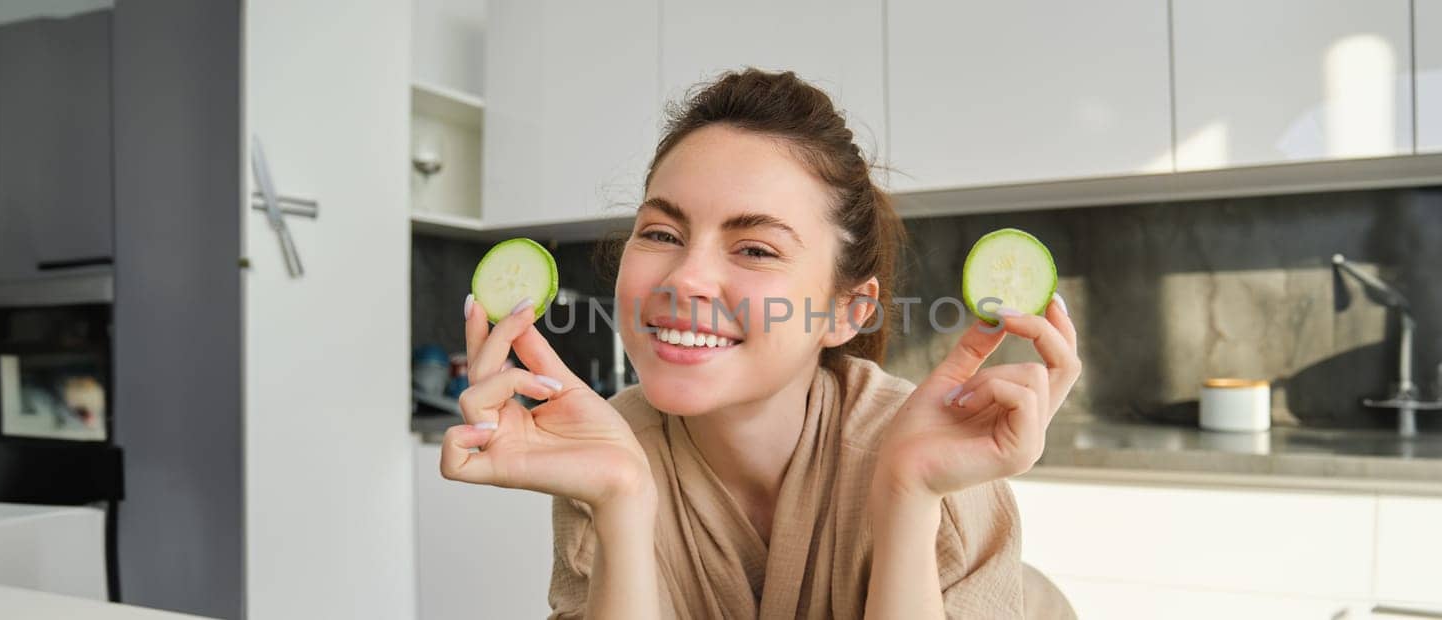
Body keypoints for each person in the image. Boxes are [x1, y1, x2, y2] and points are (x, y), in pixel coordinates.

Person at [440, 68, 1081, 619]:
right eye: (662, 233)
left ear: (847, 311)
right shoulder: (605, 451)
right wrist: (621, 502)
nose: (685, 277)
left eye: (755, 248)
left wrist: (908, 495)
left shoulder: (932, 448)